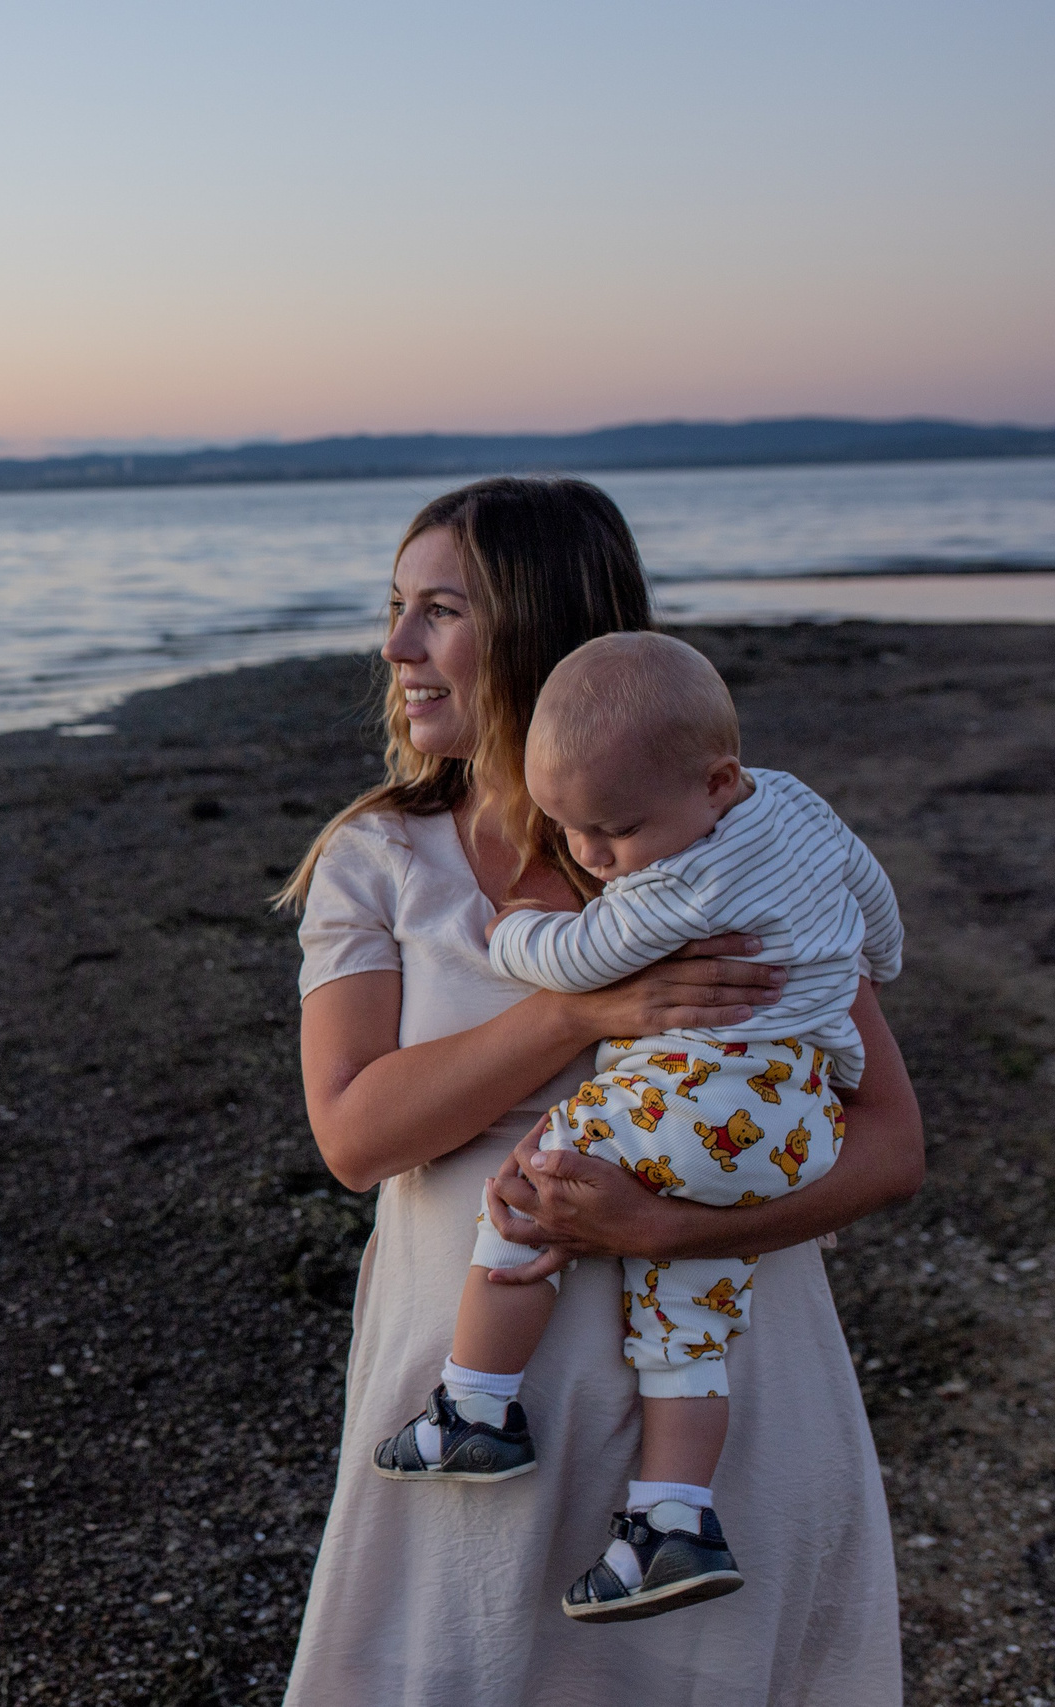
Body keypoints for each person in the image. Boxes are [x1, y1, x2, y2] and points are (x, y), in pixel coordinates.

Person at [277, 477, 922, 1705]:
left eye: (440, 611)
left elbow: (890, 1147)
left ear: (538, 627)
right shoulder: (378, 858)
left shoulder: (730, 851)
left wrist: (666, 1230)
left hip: (728, 1405)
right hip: (477, 1436)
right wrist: (576, 1011)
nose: (396, 645)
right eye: (394, 607)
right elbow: (354, 1136)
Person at [367, 629, 906, 1625]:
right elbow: (867, 888)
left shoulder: (682, 882)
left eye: (611, 832)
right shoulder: (792, 804)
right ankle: (671, 1520)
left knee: (533, 1192)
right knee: (687, 1324)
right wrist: (872, 952)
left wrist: (515, 933)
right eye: (569, 832)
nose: (591, 855)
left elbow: (584, 956)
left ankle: (476, 1405)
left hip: (696, 1102)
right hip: (789, 1126)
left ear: (715, 784)